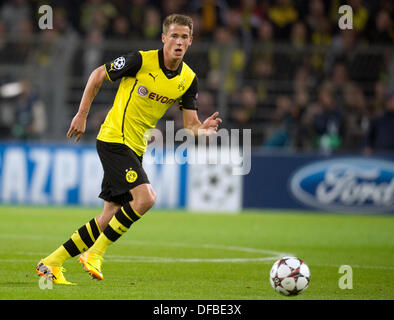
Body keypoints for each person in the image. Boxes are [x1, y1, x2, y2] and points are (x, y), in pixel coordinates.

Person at [36, 14, 222, 285]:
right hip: (114, 139)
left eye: (184, 37)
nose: (178, 42)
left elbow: (190, 124)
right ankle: (94, 254)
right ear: (163, 38)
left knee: (109, 216)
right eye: (173, 36)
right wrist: (82, 114)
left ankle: (51, 262)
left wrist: (203, 129)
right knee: (145, 199)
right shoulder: (140, 61)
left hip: (135, 147)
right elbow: (98, 73)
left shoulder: (188, 79)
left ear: (191, 41)